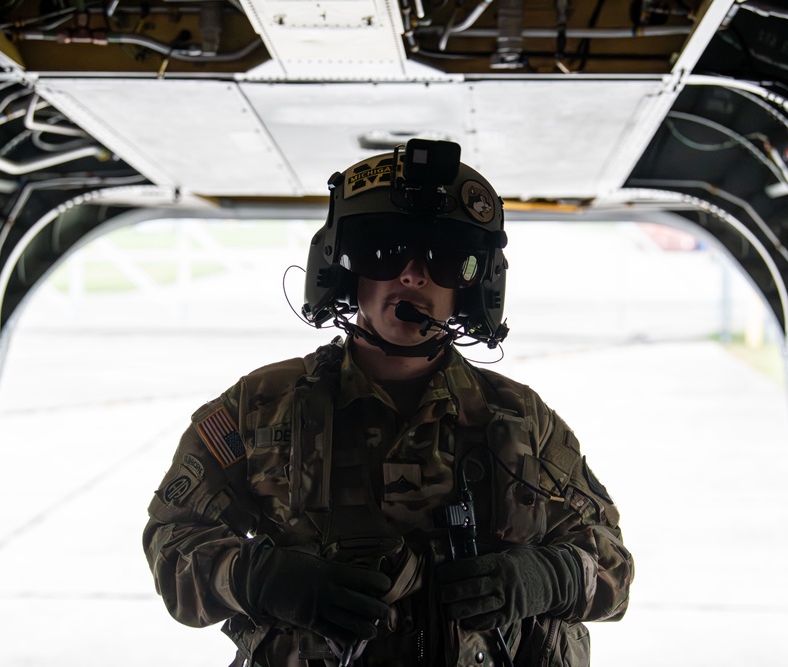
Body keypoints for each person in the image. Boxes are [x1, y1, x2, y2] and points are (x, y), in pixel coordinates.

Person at [143, 139, 633, 667]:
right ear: (344, 269)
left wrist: (544, 578)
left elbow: (614, 571)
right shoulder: (261, 406)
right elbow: (172, 541)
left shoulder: (522, 421)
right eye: (384, 251)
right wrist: (263, 579)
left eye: (443, 259)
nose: (412, 275)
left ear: (472, 286)